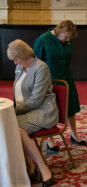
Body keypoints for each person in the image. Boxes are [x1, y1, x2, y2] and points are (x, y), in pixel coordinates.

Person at [7, 39, 57, 186]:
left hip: (43, 111)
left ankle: (40, 168)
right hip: (26, 110)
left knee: (12, 128)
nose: (15, 63)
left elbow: (36, 100)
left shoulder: (41, 68)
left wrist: (13, 111)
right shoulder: (19, 68)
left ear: (22, 55)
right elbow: (18, 94)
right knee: (12, 127)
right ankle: (32, 166)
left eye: (16, 59)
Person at [34, 20, 86, 150]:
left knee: (71, 106)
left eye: (69, 38)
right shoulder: (43, 40)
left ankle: (74, 135)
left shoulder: (67, 40)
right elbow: (36, 63)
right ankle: (50, 140)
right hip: (49, 80)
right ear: (59, 30)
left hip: (67, 78)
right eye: (66, 36)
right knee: (49, 108)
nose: (67, 40)